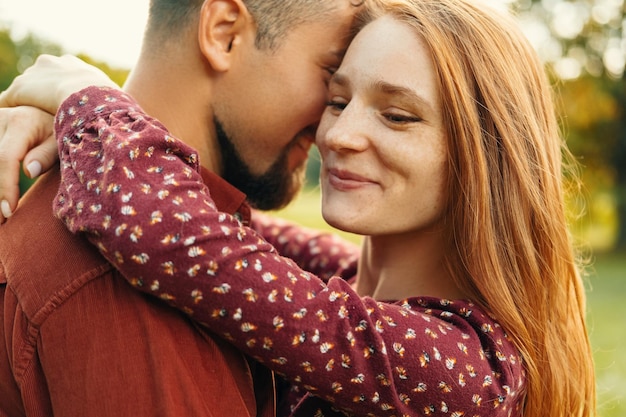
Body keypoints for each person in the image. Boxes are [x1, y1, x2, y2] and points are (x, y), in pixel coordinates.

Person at [0, 0, 597, 416]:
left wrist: (87, 104)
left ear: (483, 159)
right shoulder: (337, 276)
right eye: (337, 98)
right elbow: (215, 225)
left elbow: (177, 236)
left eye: (397, 114)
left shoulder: (468, 371)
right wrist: (66, 128)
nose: (337, 135)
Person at [0, 0, 366, 415]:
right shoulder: (136, 275)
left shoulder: (174, 239)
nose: (336, 127)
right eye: (331, 76)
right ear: (224, 33)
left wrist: (86, 113)